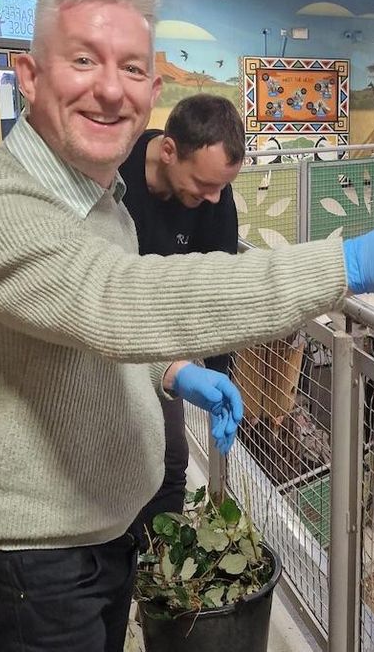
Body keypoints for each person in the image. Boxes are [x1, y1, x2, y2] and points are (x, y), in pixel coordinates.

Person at [0, 0, 374, 652]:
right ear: (29, 75)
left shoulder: (96, 202)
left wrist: (172, 372)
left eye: (130, 67)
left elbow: (79, 328)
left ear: (153, 92)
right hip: (30, 561)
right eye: (83, 60)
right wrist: (345, 264)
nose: (109, 87)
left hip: (99, 535)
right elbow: (115, 301)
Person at [119, 93, 244, 548]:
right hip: (98, 336)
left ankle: (159, 570)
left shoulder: (214, 198)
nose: (213, 198)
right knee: (116, 457)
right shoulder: (114, 173)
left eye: (221, 187)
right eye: (203, 184)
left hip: (159, 345)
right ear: (168, 151)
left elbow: (220, 290)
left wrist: (219, 376)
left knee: (171, 460)